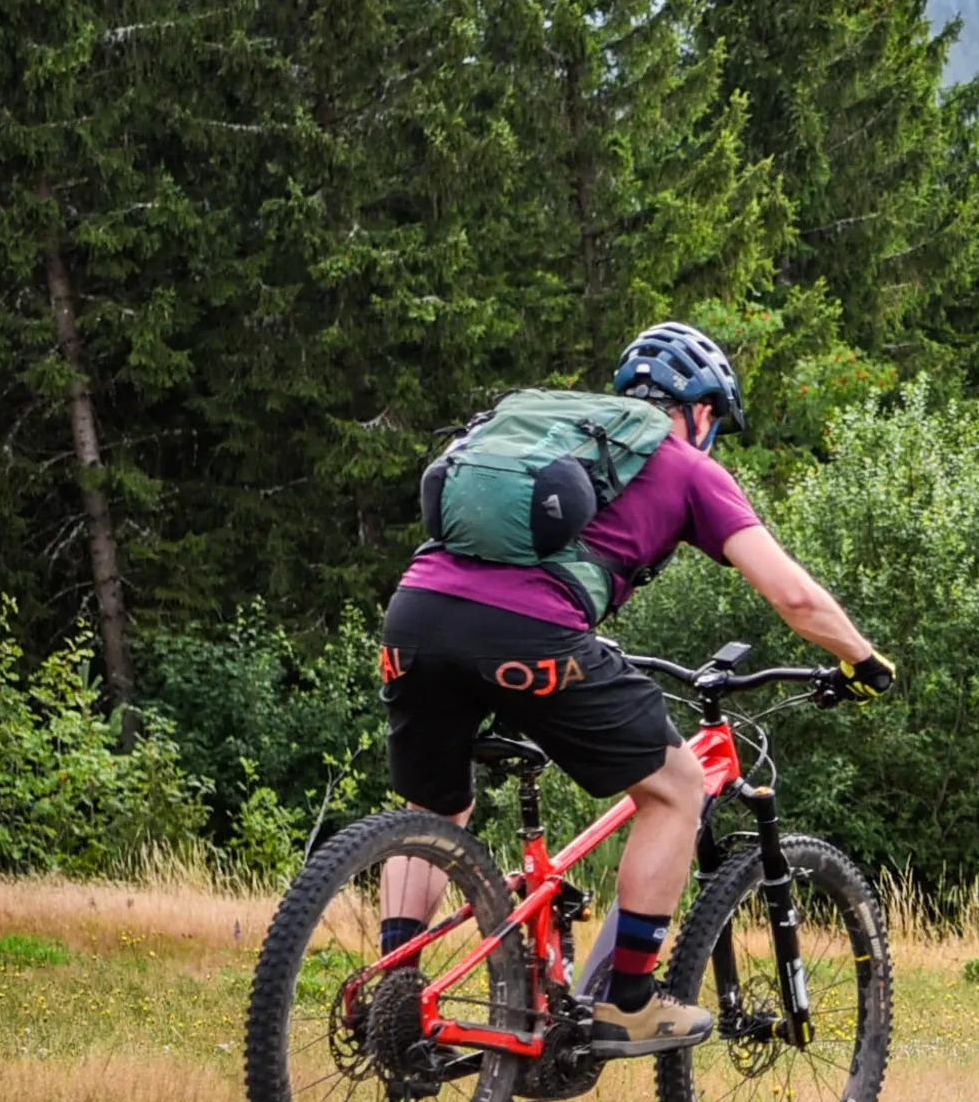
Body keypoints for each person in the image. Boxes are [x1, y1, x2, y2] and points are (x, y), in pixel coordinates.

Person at [374, 323, 895, 1053]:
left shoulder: (555, 430)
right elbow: (795, 597)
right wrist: (863, 659)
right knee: (677, 786)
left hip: (414, 616)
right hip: (531, 633)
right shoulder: (686, 465)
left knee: (435, 807)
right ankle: (628, 1000)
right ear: (704, 410)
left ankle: (394, 988)